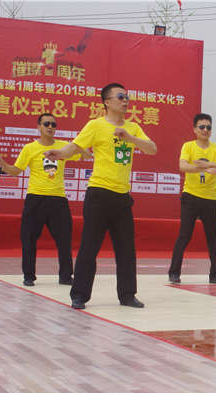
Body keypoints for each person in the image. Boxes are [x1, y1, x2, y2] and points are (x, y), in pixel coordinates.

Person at [44, 83, 157, 309]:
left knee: (126, 250)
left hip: (122, 197)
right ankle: (79, 295)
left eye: (127, 97)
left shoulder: (133, 127)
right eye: (120, 97)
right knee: (89, 247)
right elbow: (74, 147)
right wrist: (59, 153)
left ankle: (127, 295)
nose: (125, 101)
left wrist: (130, 138)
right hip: (99, 194)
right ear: (107, 102)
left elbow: (151, 148)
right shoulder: (95, 125)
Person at [0, 113, 87, 287]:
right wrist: (2, 163)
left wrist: (79, 147)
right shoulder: (29, 148)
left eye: (53, 124)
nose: (50, 127)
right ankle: (29, 275)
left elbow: (85, 155)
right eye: (46, 124)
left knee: (64, 240)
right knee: (29, 238)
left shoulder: (63, 147)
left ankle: (65, 276)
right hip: (35, 199)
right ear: (38, 127)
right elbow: (15, 171)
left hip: (58, 199)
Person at [168, 113, 216, 284]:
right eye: (201, 127)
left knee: (213, 238)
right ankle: (174, 272)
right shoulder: (188, 146)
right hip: (191, 196)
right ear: (195, 129)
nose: (205, 130)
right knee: (184, 235)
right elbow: (183, 166)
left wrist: (208, 165)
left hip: (210, 199)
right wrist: (204, 168)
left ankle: (215, 274)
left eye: (208, 127)